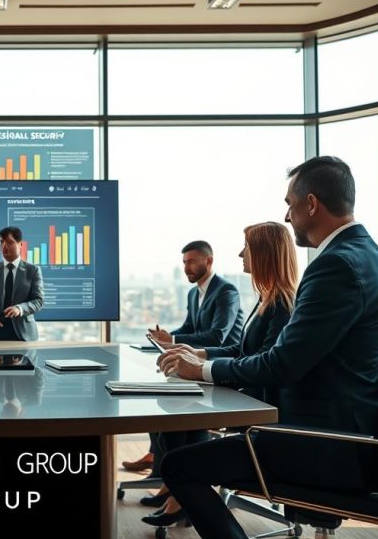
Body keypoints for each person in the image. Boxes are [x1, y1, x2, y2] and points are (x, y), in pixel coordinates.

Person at [155, 156, 378, 538]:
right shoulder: (375, 261)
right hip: (351, 437)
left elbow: (283, 364)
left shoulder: (335, 266)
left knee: (178, 466)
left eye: (289, 204)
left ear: (311, 204)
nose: (287, 217)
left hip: (319, 445)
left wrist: (202, 370)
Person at [141, 221, 298, 526]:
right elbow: (242, 349)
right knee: (172, 410)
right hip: (241, 387)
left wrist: (201, 367)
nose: (241, 254)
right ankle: (177, 493)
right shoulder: (268, 298)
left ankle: (179, 493)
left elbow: (262, 362)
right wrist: (197, 354)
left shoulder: (281, 304)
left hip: (252, 401)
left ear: (264, 253)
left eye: (247, 248)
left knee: (177, 419)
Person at [123, 241, 245, 475]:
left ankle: (170, 471)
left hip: (220, 363)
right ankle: (158, 459)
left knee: (171, 402)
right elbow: (190, 326)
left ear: (208, 261)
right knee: (157, 391)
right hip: (196, 361)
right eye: (184, 262)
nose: (186, 267)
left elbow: (218, 336)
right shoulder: (193, 293)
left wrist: (175, 340)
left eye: (191, 261)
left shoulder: (226, 291)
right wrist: (167, 337)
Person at [0, 226, 45, 342]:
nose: (4, 246)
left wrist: (19, 308)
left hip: (23, 335)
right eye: (1, 242)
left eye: (10, 242)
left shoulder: (33, 270)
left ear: (20, 244)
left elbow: (38, 300)